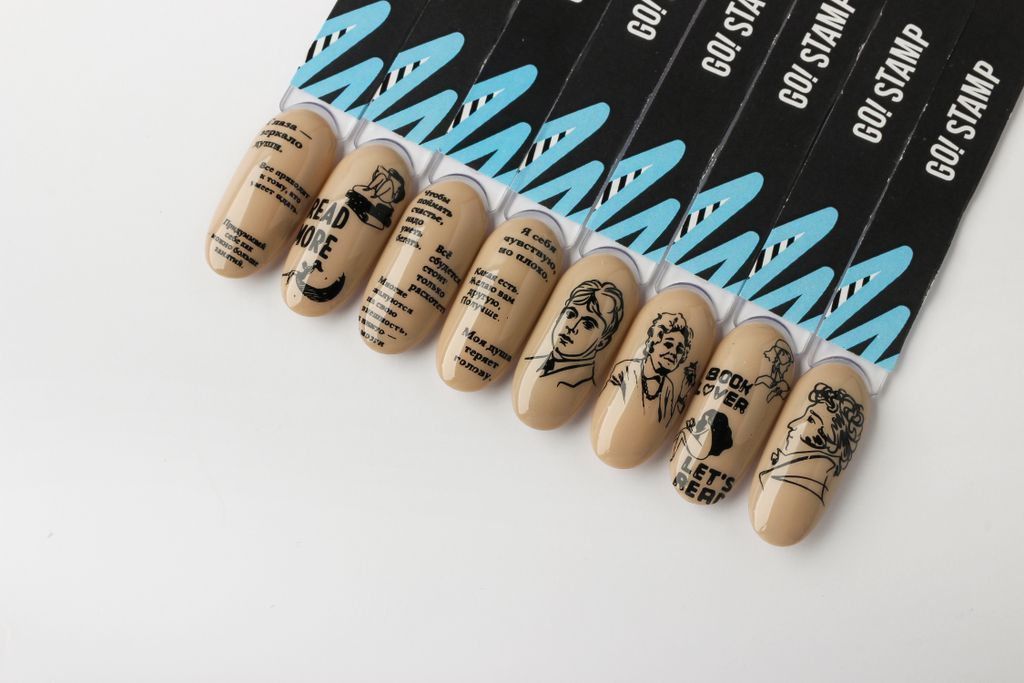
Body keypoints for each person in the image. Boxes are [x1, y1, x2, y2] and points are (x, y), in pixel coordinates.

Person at [758, 382, 866, 504]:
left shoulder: (805, 480)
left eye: (810, 419)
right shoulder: (786, 470)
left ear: (831, 439)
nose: (792, 424)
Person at [528, 280, 625, 389]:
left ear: (603, 342)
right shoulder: (533, 362)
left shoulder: (576, 383)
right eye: (570, 314)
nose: (572, 327)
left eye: (588, 325)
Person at [607, 312, 695, 423]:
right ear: (653, 343)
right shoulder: (625, 370)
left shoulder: (668, 388)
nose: (673, 352)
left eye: (680, 350)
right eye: (668, 344)